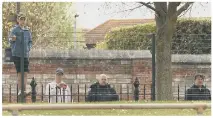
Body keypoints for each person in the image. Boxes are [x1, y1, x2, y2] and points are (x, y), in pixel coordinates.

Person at [8, 13, 32, 98]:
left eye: (24, 19)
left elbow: (30, 41)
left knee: (25, 73)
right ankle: (20, 91)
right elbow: (10, 40)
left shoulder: (27, 31)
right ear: (18, 20)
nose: (22, 21)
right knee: (19, 73)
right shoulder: (14, 30)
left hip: (25, 55)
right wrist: (12, 39)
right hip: (17, 54)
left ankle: (24, 90)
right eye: (21, 19)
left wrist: (28, 48)